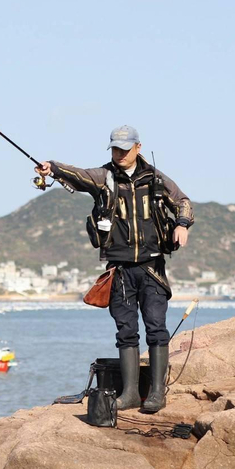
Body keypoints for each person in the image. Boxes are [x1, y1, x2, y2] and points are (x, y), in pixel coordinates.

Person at [35, 125, 193, 413]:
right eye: (115, 149)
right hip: (118, 269)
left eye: (124, 148)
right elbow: (78, 175)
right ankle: (130, 393)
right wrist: (53, 168)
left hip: (151, 267)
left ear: (138, 147)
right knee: (126, 331)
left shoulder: (155, 178)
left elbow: (183, 202)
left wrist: (182, 225)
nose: (119, 154)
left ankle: (157, 393)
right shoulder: (103, 177)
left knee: (156, 328)